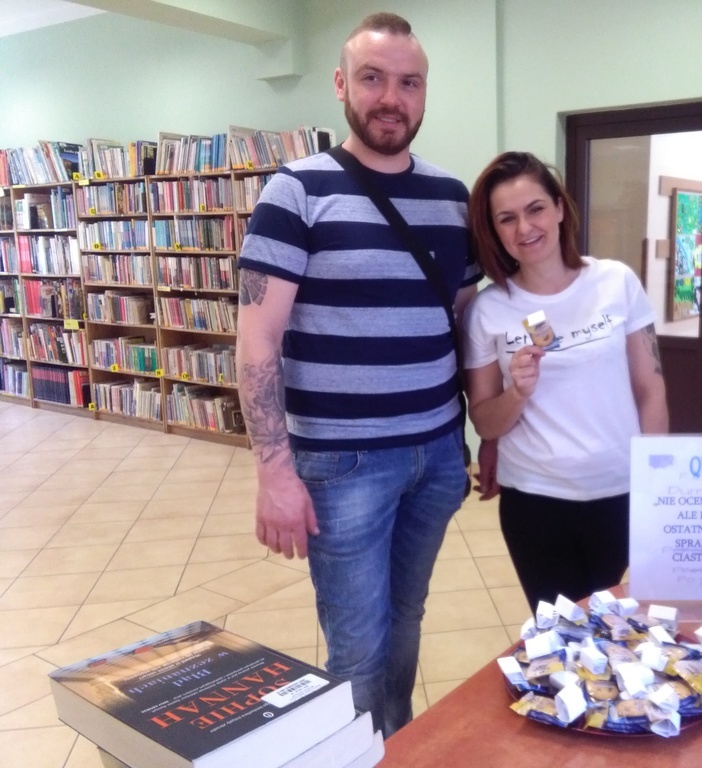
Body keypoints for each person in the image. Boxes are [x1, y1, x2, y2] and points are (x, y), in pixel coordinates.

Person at [235, 12, 483, 738]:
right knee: (358, 647)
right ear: (342, 85)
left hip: (438, 454)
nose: (391, 98)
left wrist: (484, 437)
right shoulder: (295, 192)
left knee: (407, 616)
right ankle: (356, 751)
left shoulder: (452, 198)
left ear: (424, 93)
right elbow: (256, 341)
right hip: (344, 465)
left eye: (409, 83)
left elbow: (465, 328)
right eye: (373, 78)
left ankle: (392, 744)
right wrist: (274, 472)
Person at [462, 151, 669, 612]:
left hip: (620, 493)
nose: (524, 228)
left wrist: (657, 479)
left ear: (559, 208)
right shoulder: (488, 310)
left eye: (535, 209)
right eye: (507, 218)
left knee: (613, 623)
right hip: (536, 501)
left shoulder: (616, 282)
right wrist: (517, 392)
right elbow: (485, 422)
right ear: (494, 230)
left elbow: (650, 389)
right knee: (562, 631)